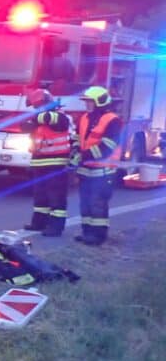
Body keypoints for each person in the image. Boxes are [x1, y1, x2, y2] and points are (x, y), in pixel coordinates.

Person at [21, 88, 76, 237]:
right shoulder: (40, 117)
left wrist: (34, 118)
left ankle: (56, 227)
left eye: (37, 106)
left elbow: (46, 118)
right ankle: (39, 223)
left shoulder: (61, 117)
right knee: (40, 197)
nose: (35, 109)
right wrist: (33, 119)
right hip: (40, 163)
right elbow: (23, 126)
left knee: (56, 198)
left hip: (56, 164)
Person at [74, 85, 121, 246]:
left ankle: (98, 235)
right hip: (85, 170)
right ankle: (87, 232)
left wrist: (83, 156)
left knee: (98, 203)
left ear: (99, 102)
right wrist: (74, 153)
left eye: (89, 101)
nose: (87, 104)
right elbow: (77, 138)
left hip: (103, 171)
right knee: (85, 202)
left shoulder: (112, 120)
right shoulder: (85, 118)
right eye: (86, 101)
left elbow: (107, 146)